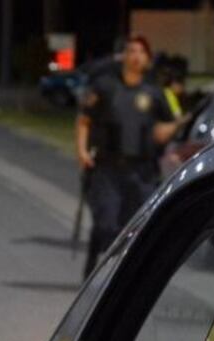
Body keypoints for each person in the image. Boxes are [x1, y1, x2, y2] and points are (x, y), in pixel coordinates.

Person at [76, 35, 186, 278]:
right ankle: (100, 269)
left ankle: (119, 276)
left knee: (136, 227)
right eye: (131, 51)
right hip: (107, 168)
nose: (136, 57)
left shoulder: (154, 93)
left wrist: (176, 126)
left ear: (147, 59)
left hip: (142, 171)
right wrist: (82, 151)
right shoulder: (104, 86)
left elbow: (165, 129)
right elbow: (84, 120)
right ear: (124, 57)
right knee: (107, 224)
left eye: (141, 53)